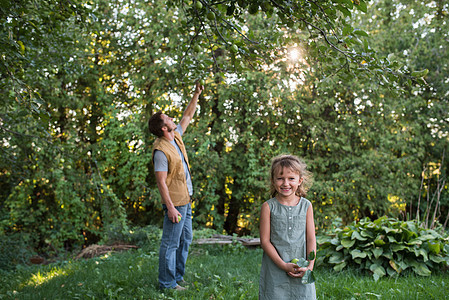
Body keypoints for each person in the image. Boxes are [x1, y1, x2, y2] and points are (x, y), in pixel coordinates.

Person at [148, 82, 204, 291]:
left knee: (185, 239)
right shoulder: (161, 150)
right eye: (168, 119)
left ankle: (177, 277)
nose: (172, 119)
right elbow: (161, 182)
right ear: (164, 127)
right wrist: (170, 207)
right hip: (175, 204)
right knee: (171, 243)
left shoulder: (175, 136)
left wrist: (196, 94)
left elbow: (187, 116)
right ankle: (167, 284)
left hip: (186, 199)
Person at [259, 154, 317, 300]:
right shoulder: (268, 207)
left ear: (300, 181)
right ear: (273, 181)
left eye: (291, 178)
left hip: (301, 267)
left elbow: (311, 238)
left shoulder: (306, 206)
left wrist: (309, 267)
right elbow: (265, 241)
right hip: (275, 267)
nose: (285, 183)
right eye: (280, 178)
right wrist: (283, 265)